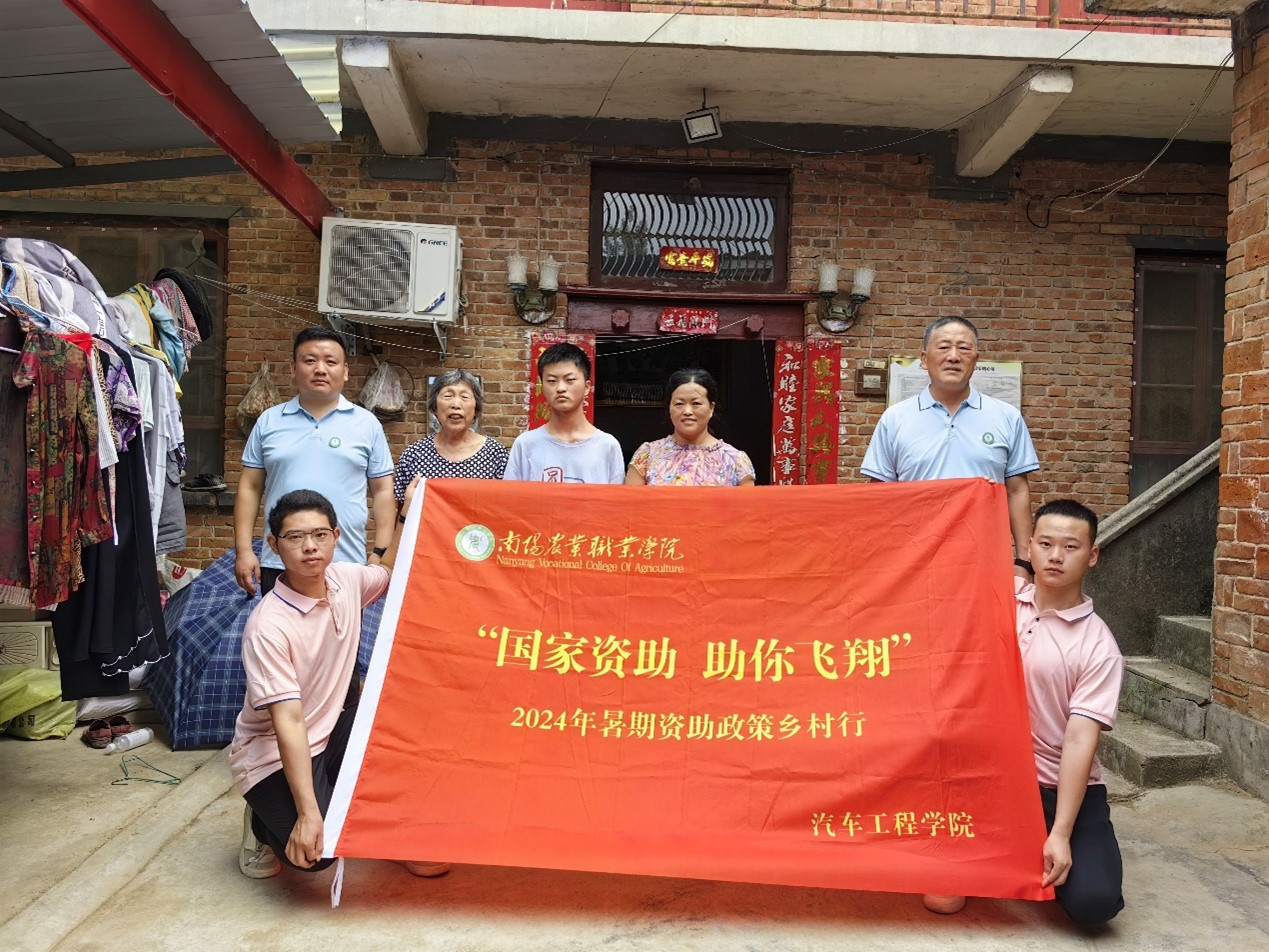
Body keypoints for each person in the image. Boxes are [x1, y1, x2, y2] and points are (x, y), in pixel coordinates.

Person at [229, 486, 449, 880]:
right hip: (274, 752)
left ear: (336, 536)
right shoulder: (268, 627)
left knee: (402, 717)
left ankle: (395, 837)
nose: (309, 547)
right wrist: (308, 814)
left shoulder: (346, 579)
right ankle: (261, 822)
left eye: (319, 534)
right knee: (318, 854)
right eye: (295, 537)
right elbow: (288, 722)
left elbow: (390, 571)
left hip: (332, 730)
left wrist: (405, 513)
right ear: (275, 546)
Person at [930, 499, 1125, 925]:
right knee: (942, 900)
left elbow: (1079, 740)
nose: (1056, 556)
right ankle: (1000, 849)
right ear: (1030, 547)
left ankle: (1034, 844)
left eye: (1071, 547)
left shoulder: (1098, 646)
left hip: (1053, 787)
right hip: (985, 778)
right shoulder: (996, 601)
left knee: (1094, 904)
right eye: (1046, 544)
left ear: (1092, 555)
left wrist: (1061, 832)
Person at [861, 316, 1038, 578]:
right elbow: (880, 496)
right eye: (944, 347)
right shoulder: (895, 418)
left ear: (975, 360)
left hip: (983, 559)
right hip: (912, 560)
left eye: (964, 348)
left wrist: (1024, 561)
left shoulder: (1006, 417)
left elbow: (1017, 491)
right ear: (924, 359)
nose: (954, 356)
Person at [233, 327, 395, 597]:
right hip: (280, 563)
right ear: (293, 369)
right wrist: (244, 550)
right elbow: (250, 487)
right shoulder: (269, 421)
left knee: (343, 627)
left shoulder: (367, 424)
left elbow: (383, 491)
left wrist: (380, 552)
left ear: (345, 371)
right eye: (309, 361)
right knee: (278, 625)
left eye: (330, 362)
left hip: (346, 564)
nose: (320, 369)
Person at [503, 342, 624, 484]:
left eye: (570, 380)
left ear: (587, 387)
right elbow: (511, 496)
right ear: (542, 386)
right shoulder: (525, 444)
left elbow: (616, 497)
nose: (560, 388)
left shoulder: (607, 446)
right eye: (552, 381)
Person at [625, 368, 755, 486]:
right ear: (669, 408)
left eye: (696, 403)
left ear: (711, 408)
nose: (687, 411)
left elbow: (748, 504)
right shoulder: (647, 455)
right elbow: (630, 502)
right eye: (679, 404)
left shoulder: (736, 460)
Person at [393, 369, 508, 498]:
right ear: (435, 407)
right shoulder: (414, 455)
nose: (456, 405)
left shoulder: (496, 454)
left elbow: (507, 504)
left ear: (476, 408)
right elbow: (400, 506)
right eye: (448, 396)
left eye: (465, 397)